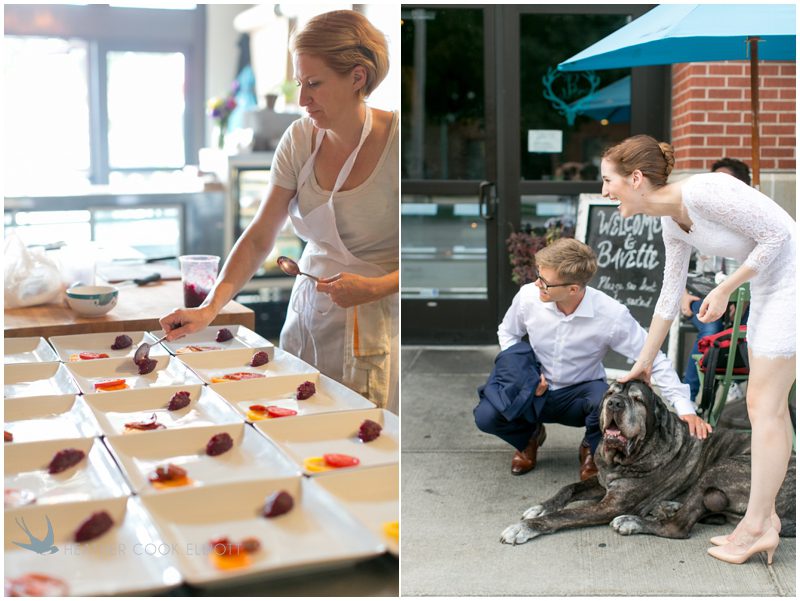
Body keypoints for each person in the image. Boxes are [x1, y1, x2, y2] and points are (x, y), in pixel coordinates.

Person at [160, 10, 399, 412]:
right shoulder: (299, 138)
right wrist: (211, 307)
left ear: (357, 77)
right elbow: (259, 235)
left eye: (315, 84)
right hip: (308, 314)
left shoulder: (396, 144)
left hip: (380, 321)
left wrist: (376, 286)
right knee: (298, 422)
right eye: (300, 83)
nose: (303, 99)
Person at [602, 135, 795, 565]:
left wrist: (726, 287)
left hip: (791, 279)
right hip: (767, 288)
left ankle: (758, 524)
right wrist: (643, 363)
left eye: (607, 181)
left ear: (635, 178)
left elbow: (778, 235)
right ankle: (764, 523)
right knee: (772, 408)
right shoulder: (671, 221)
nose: (604, 192)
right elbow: (669, 298)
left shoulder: (705, 192)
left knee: (764, 404)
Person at [474, 238, 710, 480]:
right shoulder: (528, 297)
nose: (537, 284)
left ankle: (591, 449)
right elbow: (508, 332)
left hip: (580, 395)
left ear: (573, 289)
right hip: (534, 390)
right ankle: (527, 438)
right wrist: (524, 375)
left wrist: (684, 408)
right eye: (538, 276)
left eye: (545, 282)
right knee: (487, 416)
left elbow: (653, 358)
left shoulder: (610, 314)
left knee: (606, 399)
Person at [681, 158, 751, 403]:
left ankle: (733, 379)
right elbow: (679, 263)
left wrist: (739, 297)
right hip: (699, 297)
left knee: (745, 328)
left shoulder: (749, 222)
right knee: (710, 328)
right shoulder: (697, 220)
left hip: (740, 299)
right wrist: (682, 294)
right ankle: (688, 397)